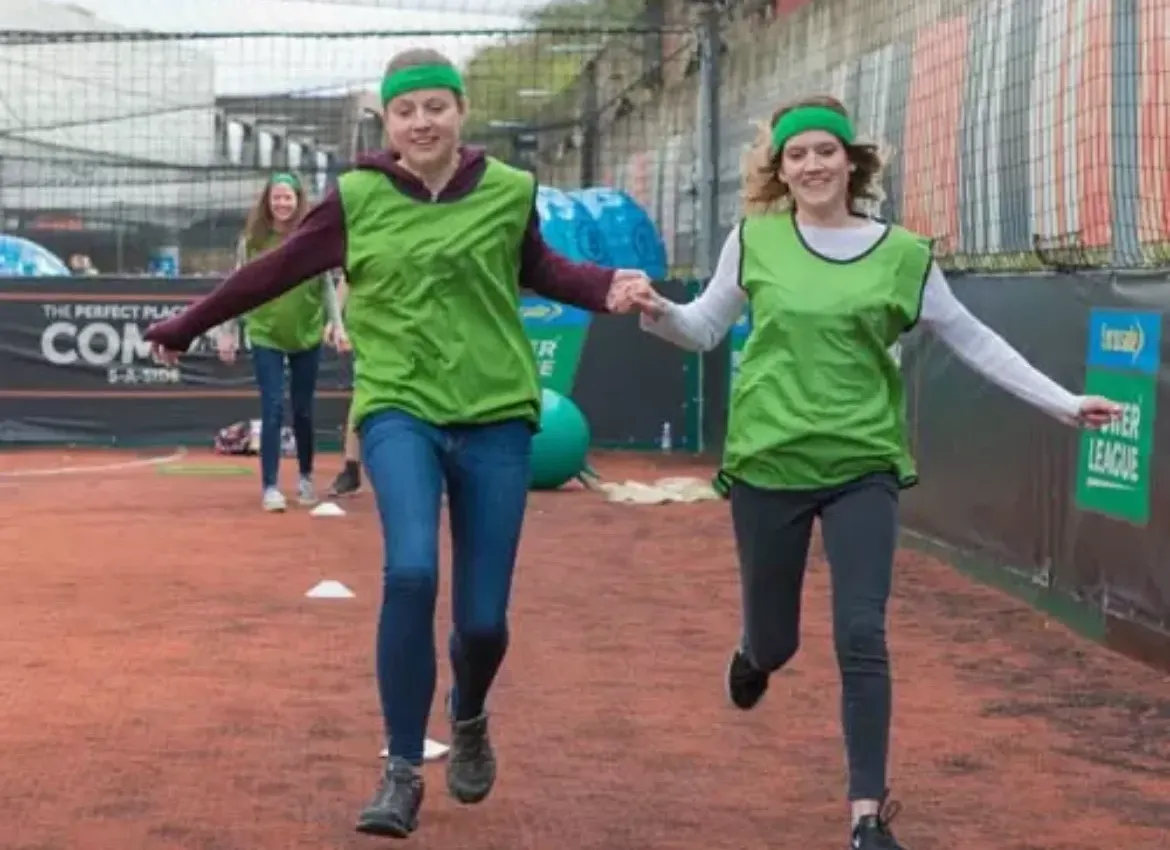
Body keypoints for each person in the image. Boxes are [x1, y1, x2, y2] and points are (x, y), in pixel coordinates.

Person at [142, 48, 654, 839]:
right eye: (406, 110)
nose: (422, 122)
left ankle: (469, 711)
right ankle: (402, 770)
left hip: (496, 411)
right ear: (387, 121)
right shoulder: (356, 197)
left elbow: (540, 268)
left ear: (461, 113)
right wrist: (186, 324)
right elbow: (272, 271)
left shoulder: (510, 190)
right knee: (410, 571)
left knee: (483, 624)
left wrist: (602, 284)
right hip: (398, 407)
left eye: (436, 107)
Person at [631, 95, 1121, 850]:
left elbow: (973, 339)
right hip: (769, 461)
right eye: (797, 155)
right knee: (777, 641)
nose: (812, 165)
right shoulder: (755, 240)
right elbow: (702, 330)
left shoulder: (903, 255)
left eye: (825, 151)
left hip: (863, 463)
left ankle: (866, 814)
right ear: (780, 169)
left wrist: (1063, 402)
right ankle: (754, 654)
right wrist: (656, 308)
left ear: (850, 161)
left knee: (862, 633)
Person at [214, 172, 348, 512]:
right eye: (277, 197)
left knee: (302, 409)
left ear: (298, 201)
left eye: (288, 197)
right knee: (272, 407)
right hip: (265, 332)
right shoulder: (252, 242)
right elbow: (237, 288)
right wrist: (228, 330)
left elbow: (326, 285)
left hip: (306, 332)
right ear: (268, 201)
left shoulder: (312, 239)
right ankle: (270, 486)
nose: (282, 203)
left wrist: (337, 325)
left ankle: (305, 478)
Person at [327, 275, 364, 497]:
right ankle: (351, 469)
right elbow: (348, 275)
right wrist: (335, 319)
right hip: (375, 328)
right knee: (362, 390)